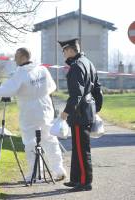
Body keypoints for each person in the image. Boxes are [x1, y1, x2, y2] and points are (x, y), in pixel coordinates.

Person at [0, 48, 66, 182]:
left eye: (17, 56)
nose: (15, 59)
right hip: (46, 107)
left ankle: (35, 174)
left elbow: (4, 91)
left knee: (30, 142)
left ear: (23, 57)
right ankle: (59, 170)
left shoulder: (20, 74)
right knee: (49, 138)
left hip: (29, 110)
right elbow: (52, 87)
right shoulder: (42, 69)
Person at [58, 38, 103, 191]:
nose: (63, 53)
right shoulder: (88, 62)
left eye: (64, 50)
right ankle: (76, 178)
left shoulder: (76, 66)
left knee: (82, 149)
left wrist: (66, 112)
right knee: (77, 147)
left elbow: (76, 94)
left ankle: (85, 182)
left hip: (79, 112)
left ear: (70, 50)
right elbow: (98, 88)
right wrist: (96, 109)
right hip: (87, 109)